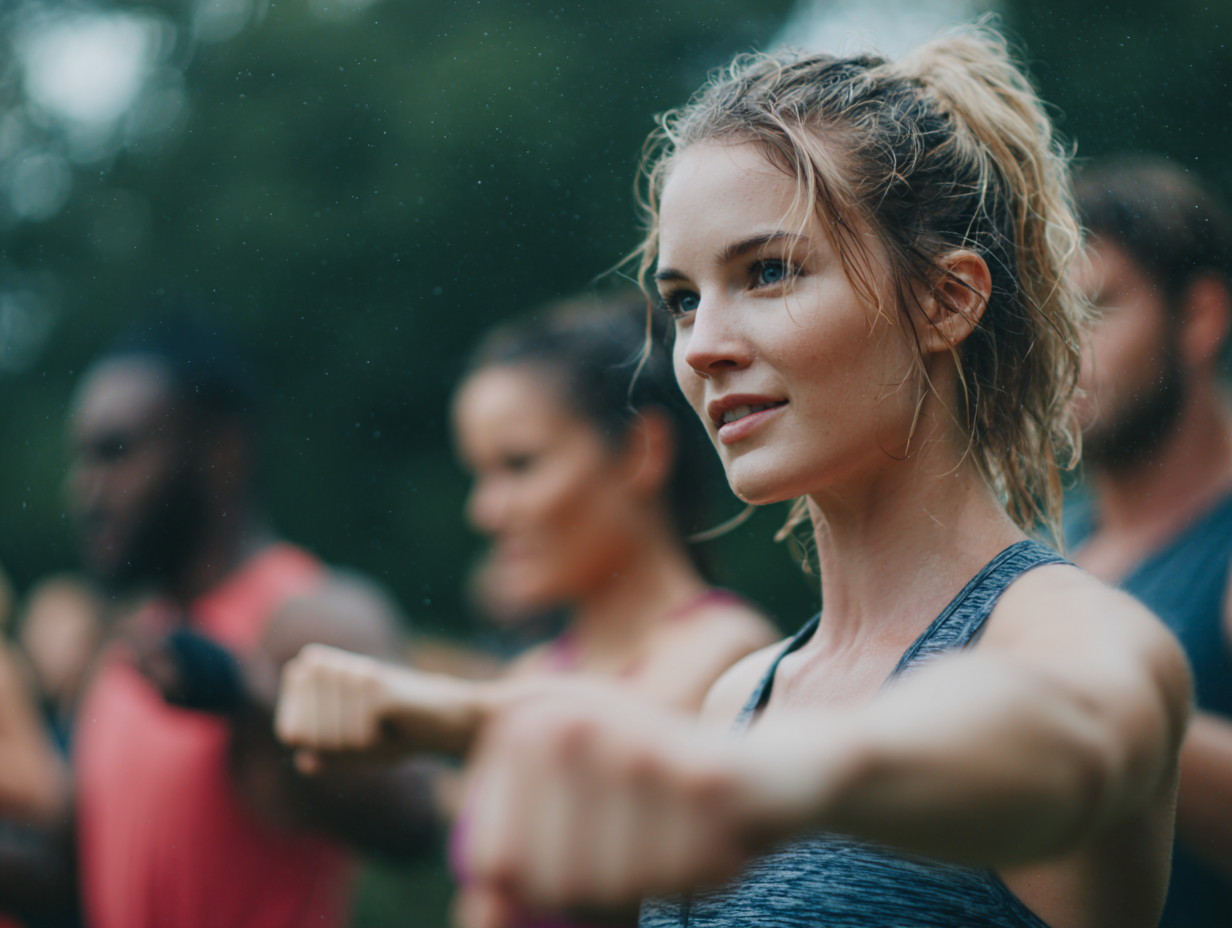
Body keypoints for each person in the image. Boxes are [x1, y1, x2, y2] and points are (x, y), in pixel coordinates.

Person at [391, 29, 1188, 928]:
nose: (701, 346)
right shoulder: (739, 698)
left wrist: (793, 776)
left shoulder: (1063, 628)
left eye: (768, 272)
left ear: (947, 299)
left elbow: (1080, 735)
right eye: (684, 298)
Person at [275, 297, 778, 920]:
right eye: (481, 475)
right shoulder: (527, 679)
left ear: (640, 451)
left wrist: (415, 708)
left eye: (519, 465)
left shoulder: (731, 653)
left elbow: (617, 755)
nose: (486, 511)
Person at [9, 308, 437, 928]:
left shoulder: (309, 618)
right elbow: (69, 877)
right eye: (84, 458)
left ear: (222, 447)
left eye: (115, 451)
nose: (86, 488)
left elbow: (413, 823)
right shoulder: (130, 640)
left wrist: (251, 700)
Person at [1066, 160, 1232, 926]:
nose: (1065, 355)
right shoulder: (1047, 538)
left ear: (1199, 318)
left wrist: (1063, 695)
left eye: (1098, 308)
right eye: (1050, 319)